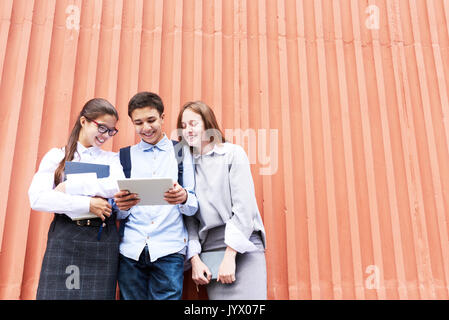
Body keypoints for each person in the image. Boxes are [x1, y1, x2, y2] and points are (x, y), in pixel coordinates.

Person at [28, 98, 125, 300]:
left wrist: (71, 186)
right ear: (83, 121)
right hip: (65, 237)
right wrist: (87, 203)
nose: (106, 135)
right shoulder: (57, 156)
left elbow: (117, 185)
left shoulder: (112, 159)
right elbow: (37, 198)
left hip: (102, 240)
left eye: (111, 131)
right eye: (102, 128)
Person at [178, 101, 267, 299]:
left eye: (193, 124)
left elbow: (244, 208)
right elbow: (189, 218)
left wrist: (230, 255)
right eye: (183, 126)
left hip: (243, 246)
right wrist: (194, 260)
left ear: (208, 123)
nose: (188, 131)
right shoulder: (186, 166)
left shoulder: (233, 154)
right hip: (209, 250)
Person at [113, 92, 198, 300]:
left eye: (151, 120)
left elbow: (194, 204)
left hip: (169, 248)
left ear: (162, 117)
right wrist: (122, 207)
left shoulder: (182, 151)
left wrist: (184, 197)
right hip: (131, 249)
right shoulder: (124, 156)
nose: (146, 128)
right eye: (138, 123)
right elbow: (118, 212)